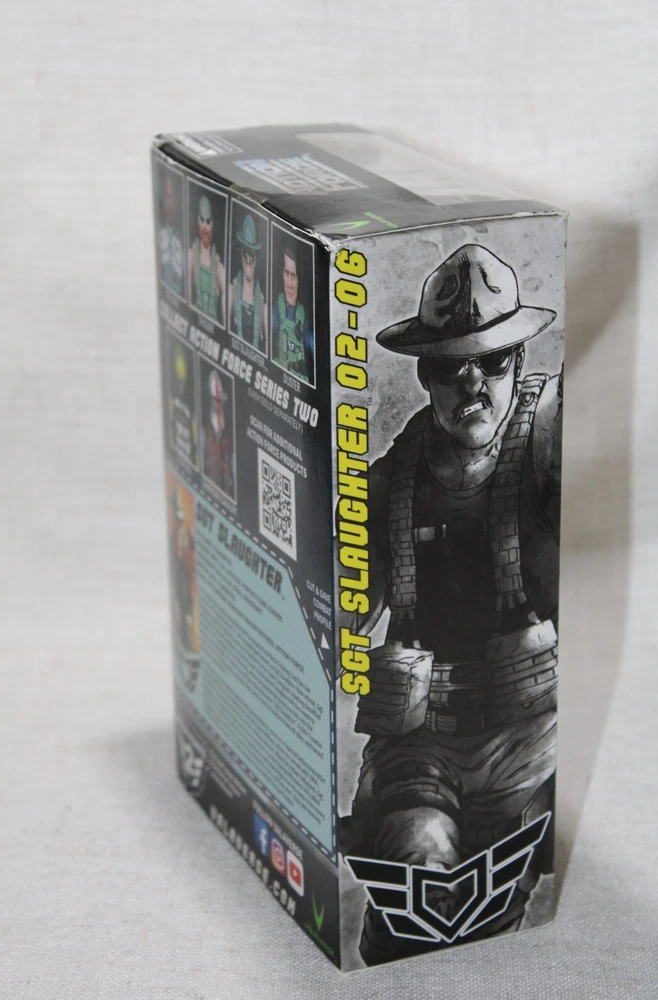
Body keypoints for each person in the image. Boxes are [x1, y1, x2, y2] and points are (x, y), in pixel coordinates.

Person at [343, 244, 563, 964]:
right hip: (422, 749)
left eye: (492, 363)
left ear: (519, 363)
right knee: (415, 883)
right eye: (450, 367)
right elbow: (340, 615)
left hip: (529, 745)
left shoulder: (548, 440)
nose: (472, 385)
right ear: (425, 374)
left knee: (500, 919)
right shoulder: (389, 485)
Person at [272, 242, 314, 383]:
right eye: (287, 274)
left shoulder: (307, 322)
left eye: (294, 276)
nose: (290, 284)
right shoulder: (274, 312)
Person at [229, 213, 267, 352]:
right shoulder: (233, 289)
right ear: (241, 257)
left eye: (252, 257)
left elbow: (267, 341)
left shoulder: (261, 300)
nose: (248, 261)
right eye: (245, 256)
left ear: (256, 260)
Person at [188, 194, 225, 323]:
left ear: (213, 224)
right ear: (197, 220)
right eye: (202, 220)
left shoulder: (219, 267)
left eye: (208, 222)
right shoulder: (191, 255)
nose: (204, 226)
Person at [170, 486, 196, 652]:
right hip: (180, 580)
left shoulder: (188, 531)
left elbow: (192, 552)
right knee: (180, 613)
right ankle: (185, 647)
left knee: (187, 614)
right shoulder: (174, 533)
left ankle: (189, 646)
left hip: (186, 579)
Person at [203, 369, 234, 497]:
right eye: (215, 400)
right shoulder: (207, 431)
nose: (217, 404)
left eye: (219, 400)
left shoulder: (227, 437)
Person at [157, 171, 184, 296]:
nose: (170, 204)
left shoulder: (186, 240)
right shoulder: (160, 233)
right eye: (167, 196)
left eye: (173, 197)